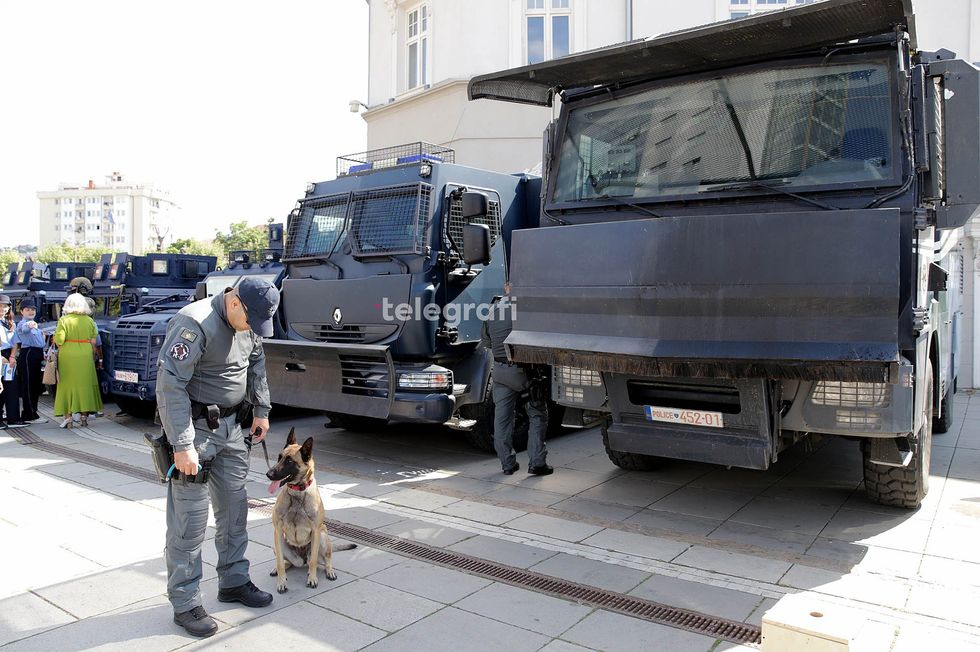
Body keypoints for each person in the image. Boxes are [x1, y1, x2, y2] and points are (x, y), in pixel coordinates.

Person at [157, 276, 279, 638]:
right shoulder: (194, 323)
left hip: (233, 429)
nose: (252, 328)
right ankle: (185, 602)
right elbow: (170, 385)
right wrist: (182, 444)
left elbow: (256, 364)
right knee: (190, 521)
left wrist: (262, 410)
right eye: (250, 320)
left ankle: (234, 581)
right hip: (197, 432)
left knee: (234, 509)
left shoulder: (251, 322)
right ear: (235, 302)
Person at [481, 281, 552, 476]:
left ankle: (507, 464)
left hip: (500, 372)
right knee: (537, 414)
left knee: (502, 420)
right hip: (524, 372)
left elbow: (487, 342)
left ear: (506, 288)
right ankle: (537, 462)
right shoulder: (526, 310)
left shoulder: (493, 309)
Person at [52, 294, 103, 428]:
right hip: (85, 353)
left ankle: (68, 418)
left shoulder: (64, 320)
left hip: (67, 354)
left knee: (66, 385)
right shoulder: (89, 320)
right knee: (85, 384)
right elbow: (94, 341)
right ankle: (84, 417)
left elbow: (59, 340)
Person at [8, 298, 47, 424]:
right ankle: (29, 414)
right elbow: (24, 328)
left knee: (35, 386)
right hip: (28, 354)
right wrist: (30, 325)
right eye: (27, 310)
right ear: (21, 311)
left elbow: (40, 342)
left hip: (36, 354)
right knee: (29, 386)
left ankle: (33, 412)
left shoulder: (35, 324)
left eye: (33, 309)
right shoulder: (23, 323)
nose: (31, 312)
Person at [0, 294, 22, 429]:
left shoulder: (9, 322)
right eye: (0, 306)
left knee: (12, 387)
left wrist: (12, 356)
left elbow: (15, 342)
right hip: (1, 356)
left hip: (9, 355)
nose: (3, 309)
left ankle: (13, 418)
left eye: (5, 306)